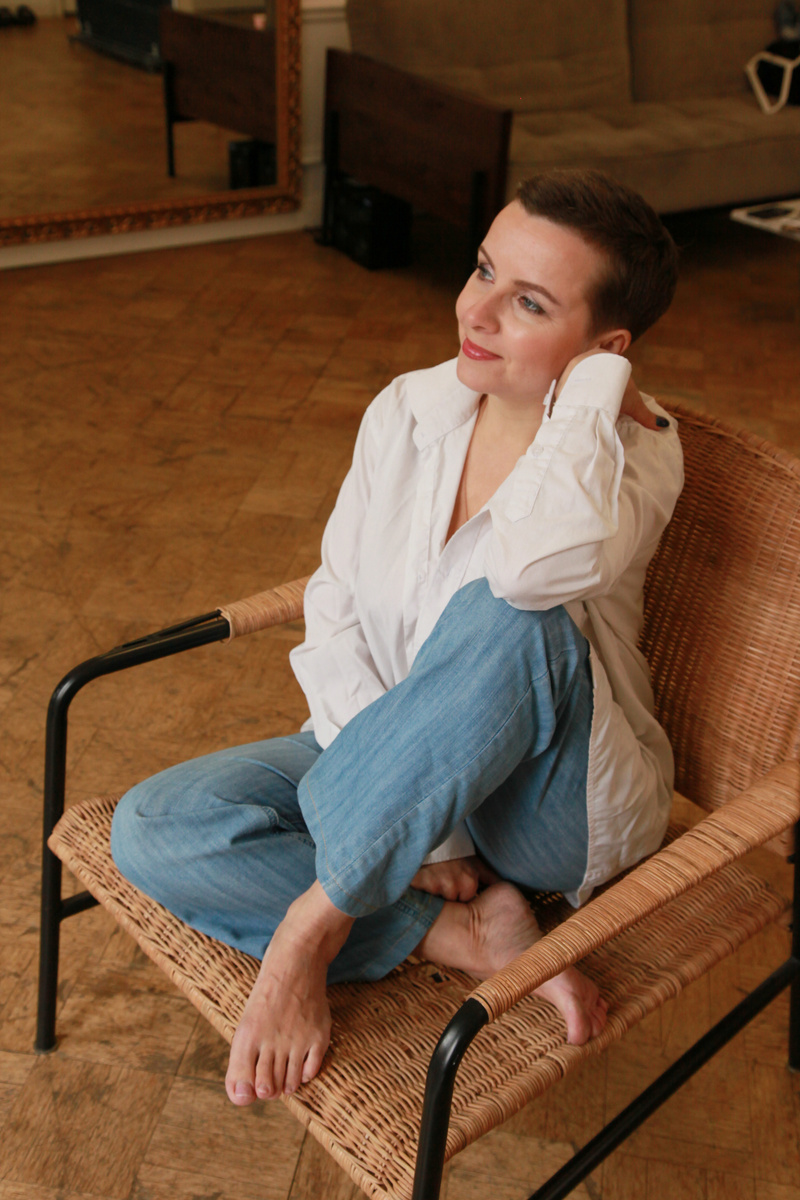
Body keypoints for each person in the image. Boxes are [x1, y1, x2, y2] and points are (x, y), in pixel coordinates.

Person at [110, 168, 684, 1109]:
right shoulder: (410, 409)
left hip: (547, 806)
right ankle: (459, 934)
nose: (476, 311)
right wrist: (424, 830)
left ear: (606, 351)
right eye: (483, 269)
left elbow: (531, 575)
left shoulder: (633, 454)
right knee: (156, 825)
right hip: (392, 751)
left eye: (530, 302)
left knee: (512, 610)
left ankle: (311, 928)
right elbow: (335, 602)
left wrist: (591, 391)